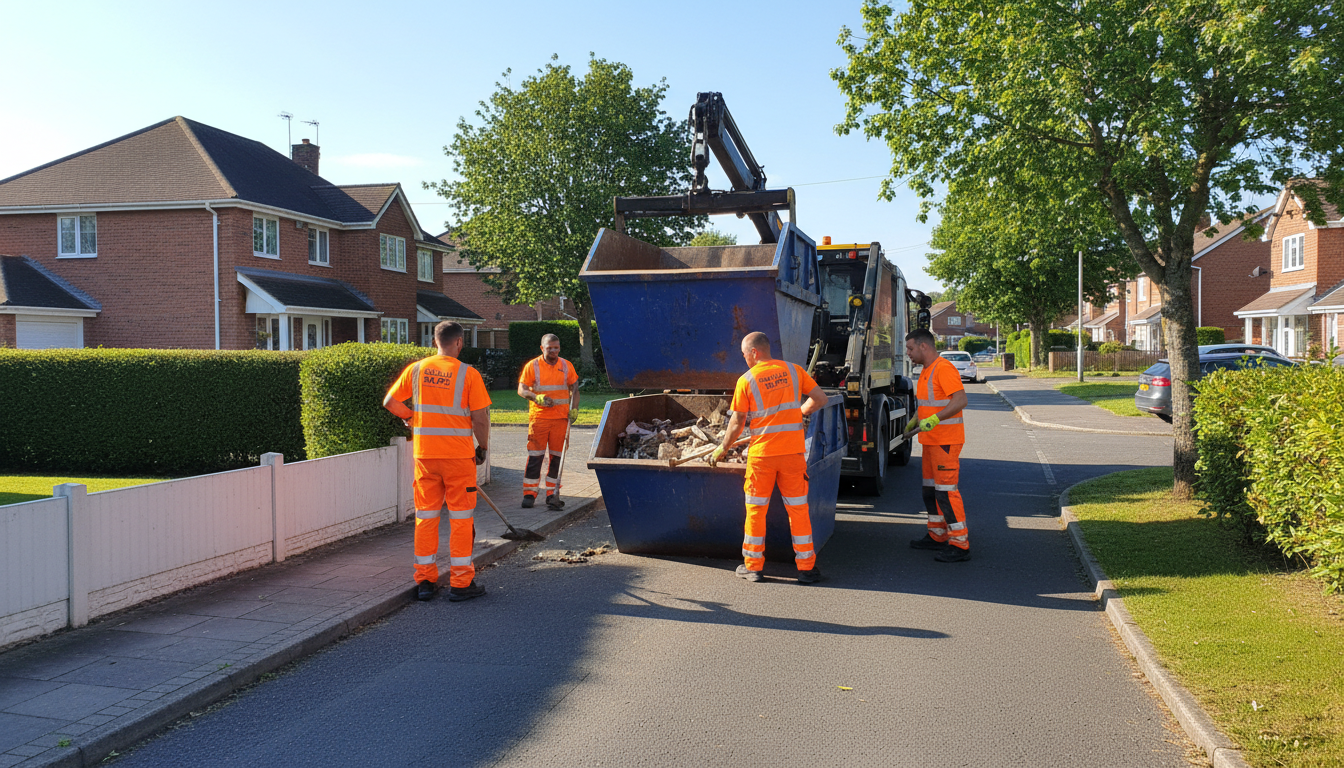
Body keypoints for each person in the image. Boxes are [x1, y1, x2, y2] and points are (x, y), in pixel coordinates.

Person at [383, 321, 491, 602]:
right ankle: (460, 583)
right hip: (457, 458)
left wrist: (410, 417)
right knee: (460, 519)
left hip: (425, 457)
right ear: (459, 342)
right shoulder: (468, 374)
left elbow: (390, 402)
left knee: (426, 517)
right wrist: (483, 447)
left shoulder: (416, 370)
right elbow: (480, 418)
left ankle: (426, 582)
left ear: (435, 341)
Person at [710, 331, 829, 583]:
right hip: (793, 455)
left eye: (744, 354)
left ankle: (753, 567)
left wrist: (722, 448)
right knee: (798, 510)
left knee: (755, 510)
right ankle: (806, 568)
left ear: (754, 352)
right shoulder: (794, 371)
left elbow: (737, 422)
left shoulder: (747, 379)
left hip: (762, 456)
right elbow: (820, 399)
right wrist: (800, 412)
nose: (744, 359)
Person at [901, 328, 971, 562]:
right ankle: (937, 535)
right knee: (930, 492)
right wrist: (915, 420)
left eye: (910, 348)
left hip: (945, 441)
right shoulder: (926, 371)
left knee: (946, 493)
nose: (908, 353)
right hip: (931, 442)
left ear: (924, 346)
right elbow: (928, 404)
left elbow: (961, 400)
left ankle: (960, 544)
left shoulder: (943, 368)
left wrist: (934, 419)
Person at [516, 333, 580, 509]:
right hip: (540, 419)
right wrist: (536, 397)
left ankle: (552, 494)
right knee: (535, 457)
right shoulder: (533, 366)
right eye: (549, 347)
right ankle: (529, 493)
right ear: (542, 348)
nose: (553, 351)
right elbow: (522, 390)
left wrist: (574, 409)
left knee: (557, 458)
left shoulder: (566, 365)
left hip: (561, 419)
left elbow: (574, 388)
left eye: (556, 347)